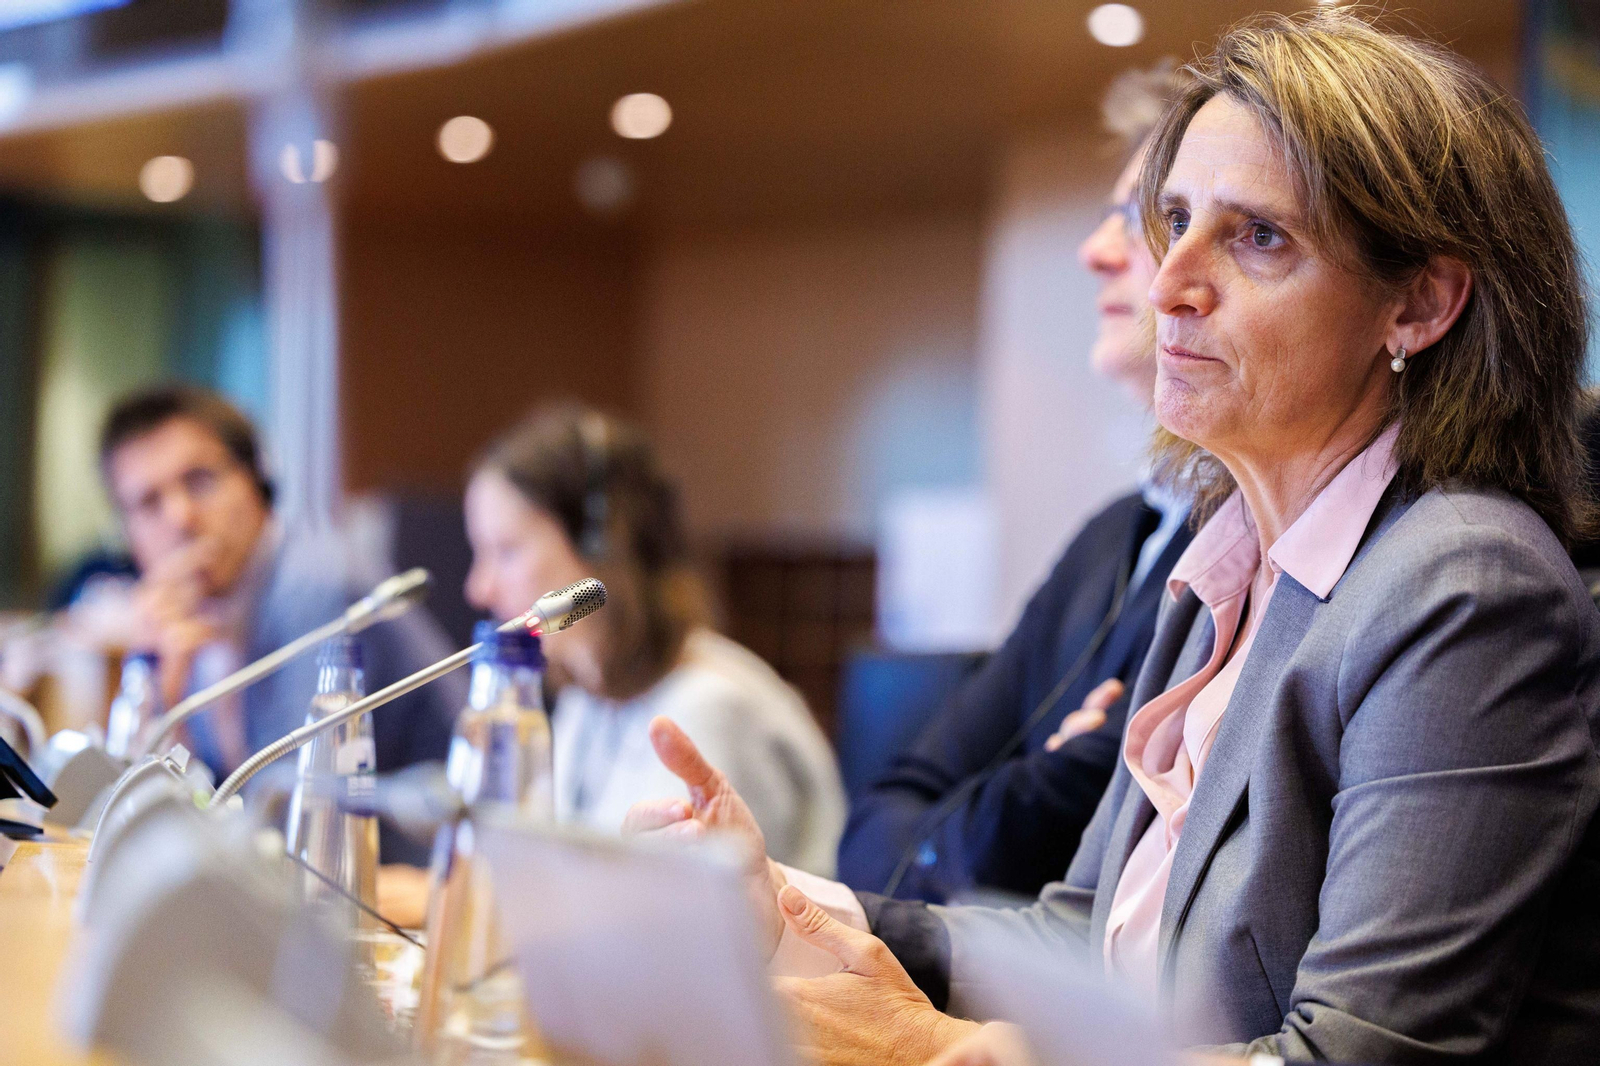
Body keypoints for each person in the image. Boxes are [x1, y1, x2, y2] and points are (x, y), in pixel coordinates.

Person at [624, 11, 1600, 1063]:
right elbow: (1081, 934)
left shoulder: (1465, 586)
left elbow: (1353, 1055)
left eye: (1256, 236)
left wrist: (939, 1052)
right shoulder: (1228, 569)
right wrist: (800, 909)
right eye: (1173, 219)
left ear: (1419, 304)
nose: (1170, 285)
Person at [838, 61, 1192, 904]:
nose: (1093, 251)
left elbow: (1061, 856)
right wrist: (1033, 781)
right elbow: (879, 817)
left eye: (1139, 218)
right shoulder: (1112, 534)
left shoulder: (1248, 540)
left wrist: (978, 820)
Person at [462, 405, 846, 875]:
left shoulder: (707, 707)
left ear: (600, 549)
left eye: (507, 551)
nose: (479, 588)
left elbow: (689, 932)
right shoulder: (590, 698)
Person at [99, 385, 464, 864]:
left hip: (435, 886)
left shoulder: (318, 588)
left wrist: (181, 711)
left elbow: (289, 825)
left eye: (200, 481)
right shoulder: (195, 619)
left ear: (259, 480)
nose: (181, 518)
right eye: (148, 503)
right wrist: (160, 695)